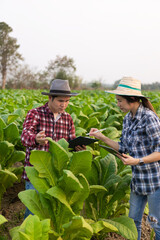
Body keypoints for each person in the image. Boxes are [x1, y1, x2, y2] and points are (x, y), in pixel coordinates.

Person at [89, 77, 160, 240]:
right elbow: (124, 147)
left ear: (132, 99)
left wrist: (137, 161)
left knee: (156, 223)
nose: (118, 104)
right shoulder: (128, 118)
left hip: (155, 180)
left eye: (120, 100)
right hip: (138, 179)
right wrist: (102, 137)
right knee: (133, 220)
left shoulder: (149, 118)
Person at [21, 79, 85, 218]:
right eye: (60, 101)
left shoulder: (67, 118)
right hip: (36, 172)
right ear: (50, 98)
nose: (64, 105)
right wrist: (36, 139)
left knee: (51, 213)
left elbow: (69, 142)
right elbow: (25, 137)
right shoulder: (35, 113)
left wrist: (77, 146)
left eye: (67, 101)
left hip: (56, 174)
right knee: (34, 211)